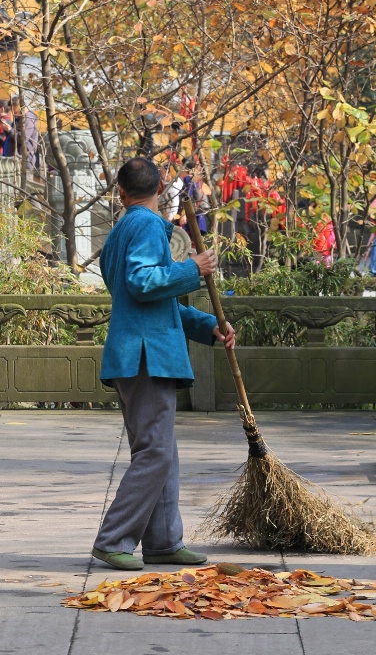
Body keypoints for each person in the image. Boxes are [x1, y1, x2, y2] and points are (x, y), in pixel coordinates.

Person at [92, 157, 235, 571]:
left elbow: (157, 302)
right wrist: (193, 267)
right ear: (161, 189)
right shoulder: (150, 225)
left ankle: (163, 542)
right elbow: (142, 283)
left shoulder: (119, 232)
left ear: (120, 193)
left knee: (161, 453)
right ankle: (113, 539)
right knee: (155, 453)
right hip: (145, 356)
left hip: (137, 351)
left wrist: (211, 326)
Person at [6, 96, 39, 172]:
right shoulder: (19, 118)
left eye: (13, 108)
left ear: (17, 106)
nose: (12, 111)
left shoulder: (28, 119)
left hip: (24, 161)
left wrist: (10, 130)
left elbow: (23, 139)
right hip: (16, 160)